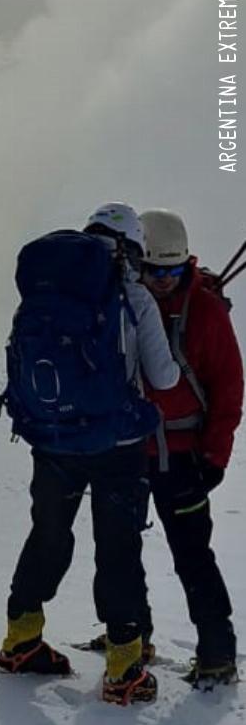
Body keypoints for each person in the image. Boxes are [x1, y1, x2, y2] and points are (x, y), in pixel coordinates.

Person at [0, 202, 180, 704]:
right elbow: (164, 378)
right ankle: (124, 671)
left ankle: (21, 641)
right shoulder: (133, 295)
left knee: (48, 535)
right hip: (115, 446)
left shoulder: (49, 287)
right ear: (132, 247)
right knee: (118, 549)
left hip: (50, 439)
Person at [137, 209, 243, 685]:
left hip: (183, 456)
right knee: (118, 550)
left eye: (172, 271)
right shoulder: (127, 300)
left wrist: (215, 459)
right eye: (153, 270)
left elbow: (229, 389)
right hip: (130, 451)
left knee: (192, 553)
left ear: (186, 264)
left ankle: (217, 652)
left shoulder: (204, 311)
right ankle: (130, 636)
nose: (162, 280)